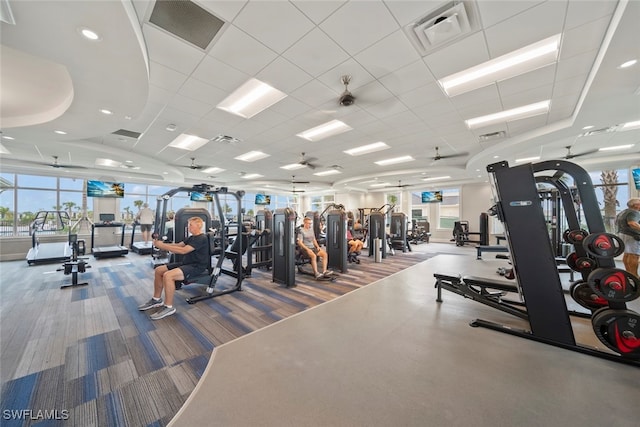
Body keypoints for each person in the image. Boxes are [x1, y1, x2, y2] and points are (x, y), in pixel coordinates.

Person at [138, 217, 209, 320]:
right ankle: (156, 299)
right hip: (187, 263)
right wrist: (162, 245)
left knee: (168, 276)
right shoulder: (191, 237)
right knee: (159, 270)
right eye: (188, 225)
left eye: (191, 225)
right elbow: (178, 245)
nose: (188, 227)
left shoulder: (202, 238)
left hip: (197, 266)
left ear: (199, 226)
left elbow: (183, 250)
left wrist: (163, 246)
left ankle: (169, 307)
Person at [616, 198, 640, 277]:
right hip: (632, 236)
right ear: (636, 205)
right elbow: (632, 223)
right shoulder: (634, 212)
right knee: (634, 256)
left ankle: (630, 275)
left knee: (627, 255)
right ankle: (635, 276)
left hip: (623, 235)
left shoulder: (623, 212)